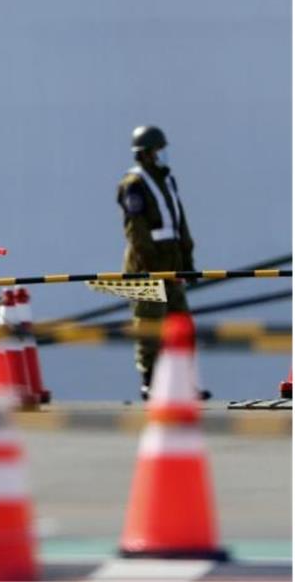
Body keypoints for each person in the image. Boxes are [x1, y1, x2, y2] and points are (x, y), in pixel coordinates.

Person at [116, 125, 205, 400]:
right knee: (149, 324)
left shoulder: (167, 180)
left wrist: (186, 262)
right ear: (145, 154)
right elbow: (137, 233)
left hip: (172, 264)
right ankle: (150, 380)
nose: (162, 155)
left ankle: (183, 381)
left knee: (181, 324)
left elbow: (180, 224)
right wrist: (153, 270)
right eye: (158, 150)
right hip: (146, 267)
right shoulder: (134, 185)